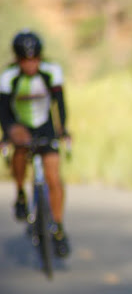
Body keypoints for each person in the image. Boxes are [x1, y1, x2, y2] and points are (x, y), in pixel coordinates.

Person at [0, 29, 71, 258]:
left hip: (45, 125)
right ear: (17, 60)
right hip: (20, 126)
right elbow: (3, 111)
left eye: (34, 60)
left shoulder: (51, 72)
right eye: (25, 61)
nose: (30, 65)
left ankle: (58, 228)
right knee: (19, 151)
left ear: (40, 58)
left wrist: (63, 130)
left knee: (53, 177)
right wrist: (8, 133)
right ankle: (21, 193)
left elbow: (60, 104)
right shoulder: (8, 77)